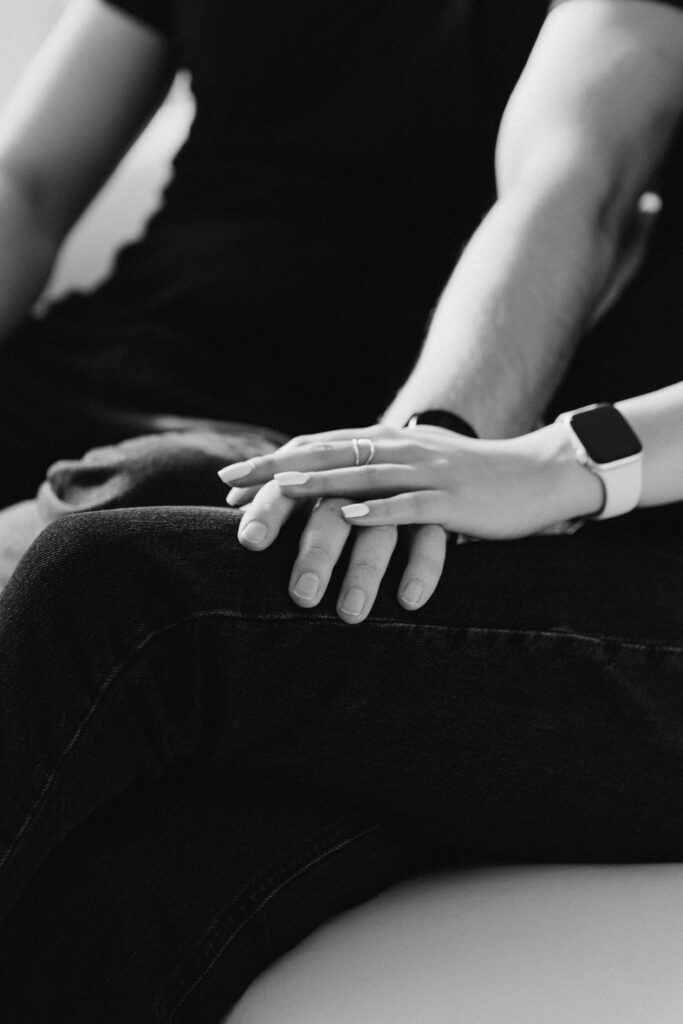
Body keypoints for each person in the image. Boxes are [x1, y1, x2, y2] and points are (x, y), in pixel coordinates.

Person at [2, 0, 683, 1020]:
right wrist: (442, 450)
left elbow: (580, 190)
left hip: (625, 561)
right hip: (579, 546)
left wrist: (561, 458)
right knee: (141, 876)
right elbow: (565, 166)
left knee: (117, 578)